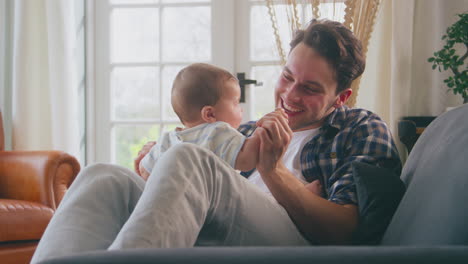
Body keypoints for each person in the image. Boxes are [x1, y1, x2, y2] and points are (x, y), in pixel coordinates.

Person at [31, 19, 401, 263]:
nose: (289, 94)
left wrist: (273, 173)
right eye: (287, 76)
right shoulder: (244, 132)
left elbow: (346, 231)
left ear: (341, 98)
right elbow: (185, 194)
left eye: (309, 88)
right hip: (214, 227)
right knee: (103, 176)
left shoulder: (361, 128)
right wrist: (153, 173)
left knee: (190, 159)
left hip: (293, 246)